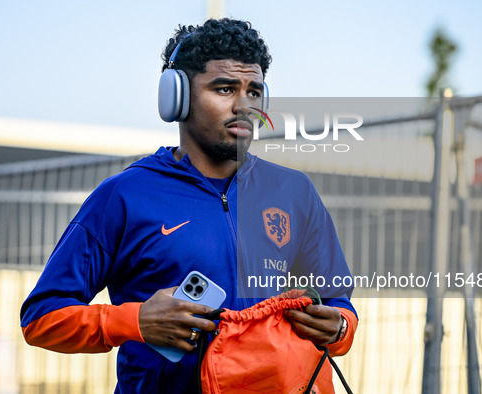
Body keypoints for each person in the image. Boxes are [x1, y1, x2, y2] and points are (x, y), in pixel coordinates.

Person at [20, 18, 358, 392]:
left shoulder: (295, 192)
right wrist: (136, 322)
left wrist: (340, 326)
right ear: (177, 96)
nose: (244, 106)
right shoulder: (124, 197)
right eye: (225, 89)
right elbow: (41, 318)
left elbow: (338, 299)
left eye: (254, 91)